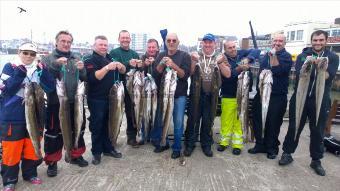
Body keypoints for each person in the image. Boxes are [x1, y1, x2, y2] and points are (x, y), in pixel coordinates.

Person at [279, 30, 339, 176]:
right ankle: (287, 153)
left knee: (318, 130)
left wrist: (320, 66)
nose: (318, 43)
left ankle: (316, 160)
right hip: (300, 98)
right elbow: (300, 74)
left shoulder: (332, 57)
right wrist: (309, 63)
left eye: (321, 40)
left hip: (320, 99)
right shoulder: (302, 56)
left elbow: (327, 76)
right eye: (315, 40)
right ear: (311, 41)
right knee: (294, 126)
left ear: (326, 41)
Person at [0, 42, 55, 191]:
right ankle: (9, 179)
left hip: (36, 115)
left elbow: (50, 87)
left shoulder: (39, 69)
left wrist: (45, 73)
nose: (29, 56)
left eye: (32, 54)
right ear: (19, 52)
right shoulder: (9, 67)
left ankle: (30, 173)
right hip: (13, 117)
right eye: (25, 53)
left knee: (32, 147)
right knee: (12, 149)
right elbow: (7, 90)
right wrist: (19, 73)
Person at [42, 31, 88, 177]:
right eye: (63, 41)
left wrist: (82, 69)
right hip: (56, 102)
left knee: (78, 129)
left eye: (69, 41)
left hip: (76, 101)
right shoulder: (47, 58)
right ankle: (52, 162)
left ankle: (75, 155)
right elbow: (44, 77)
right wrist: (56, 64)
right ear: (56, 42)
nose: (66, 44)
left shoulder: (77, 57)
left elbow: (84, 77)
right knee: (53, 133)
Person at [184, 33, 231, 157]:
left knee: (208, 120)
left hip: (212, 95)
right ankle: (190, 144)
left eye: (210, 42)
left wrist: (220, 63)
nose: (207, 44)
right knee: (192, 120)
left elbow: (228, 74)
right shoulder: (195, 55)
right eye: (205, 42)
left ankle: (206, 144)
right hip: (196, 93)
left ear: (214, 44)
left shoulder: (220, 56)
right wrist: (193, 61)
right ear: (202, 43)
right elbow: (189, 73)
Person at [248, 34, 293, 159]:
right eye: (275, 40)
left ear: (284, 43)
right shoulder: (264, 56)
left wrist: (272, 55)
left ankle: (271, 148)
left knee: (273, 123)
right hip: (261, 93)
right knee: (258, 120)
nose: (277, 43)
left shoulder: (286, 56)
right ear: (272, 41)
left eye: (280, 41)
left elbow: (277, 70)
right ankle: (259, 144)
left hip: (277, 97)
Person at [85, 35, 125, 165]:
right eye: (100, 45)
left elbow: (123, 71)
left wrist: (120, 66)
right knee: (97, 126)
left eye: (105, 45)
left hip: (112, 99)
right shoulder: (89, 60)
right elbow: (93, 77)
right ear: (94, 46)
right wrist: (107, 67)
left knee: (109, 124)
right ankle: (96, 153)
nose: (103, 47)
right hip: (97, 99)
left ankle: (108, 148)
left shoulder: (110, 58)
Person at [151, 33, 191, 159]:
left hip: (179, 96)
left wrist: (173, 65)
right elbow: (155, 75)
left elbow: (185, 75)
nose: (171, 42)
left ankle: (177, 148)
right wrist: (162, 64)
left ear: (178, 42)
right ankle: (164, 143)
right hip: (163, 95)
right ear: (166, 42)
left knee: (178, 122)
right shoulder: (161, 55)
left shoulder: (185, 56)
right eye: (169, 40)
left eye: (174, 40)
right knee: (161, 120)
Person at [217, 40, 260, 155]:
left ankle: (237, 144)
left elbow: (257, 51)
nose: (233, 49)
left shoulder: (242, 54)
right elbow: (229, 77)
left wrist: (248, 59)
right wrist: (240, 68)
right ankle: (224, 142)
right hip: (228, 95)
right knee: (226, 120)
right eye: (229, 48)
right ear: (225, 50)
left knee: (239, 121)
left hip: (243, 95)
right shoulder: (223, 60)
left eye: (234, 47)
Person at [109, 30, 141, 147]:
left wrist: (140, 65)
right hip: (116, 90)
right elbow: (116, 65)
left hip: (131, 89)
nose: (125, 40)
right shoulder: (114, 52)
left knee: (131, 113)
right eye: (123, 38)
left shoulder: (134, 53)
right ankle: (112, 137)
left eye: (127, 38)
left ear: (130, 39)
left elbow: (138, 70)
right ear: (119, 39)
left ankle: (131, 138)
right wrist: (128, 63)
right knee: (115, 113)